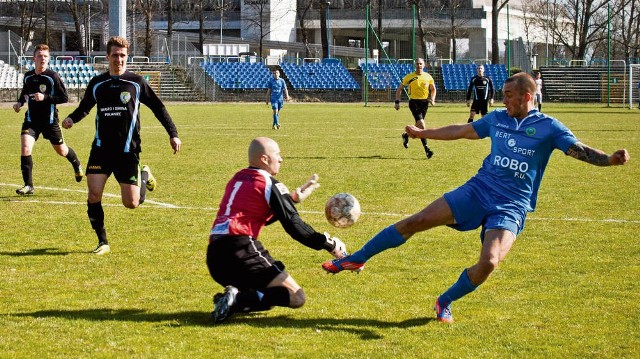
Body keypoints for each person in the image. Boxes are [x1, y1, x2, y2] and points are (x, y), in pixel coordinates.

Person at [323, 72, 630, 323]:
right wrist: (423, 133)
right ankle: (355, 259)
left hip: (512, 206)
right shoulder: (497, 119)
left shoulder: (549, 127)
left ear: (526, 96)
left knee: (490, 262)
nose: (502, 99)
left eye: (509, 94)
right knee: (417, 220)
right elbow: (462, 130)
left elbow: (581, 150)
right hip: (478, 190)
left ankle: (445, 300)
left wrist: (610, 160)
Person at [62, 36, 182, 255]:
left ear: (128, 57)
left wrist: (173, 134)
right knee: (93, 194)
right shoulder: (97, 83)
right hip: (101, 150)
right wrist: (71, 119)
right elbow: (85, 107)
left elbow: (158, 107)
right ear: (107, 57)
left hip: (128, 151)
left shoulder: (137, 82)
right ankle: (102, 242)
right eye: (115, 55)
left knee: (132, 203)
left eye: (123, 55)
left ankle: (144, 174)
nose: (119, 59)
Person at [207, 137, 347, 323]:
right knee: (295, 297)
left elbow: (256, 216)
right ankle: (237, 298)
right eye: (278, 155)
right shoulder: (269, 183)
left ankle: (232, 300)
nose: (281, 159)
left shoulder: (237, 178)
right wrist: (329, 243)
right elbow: (295, 227)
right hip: (241, 250)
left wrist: (292, 199)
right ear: (264, 159)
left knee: (267, 296)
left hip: (215, 258)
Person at [13, 44, 83, 196]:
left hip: (50, 122)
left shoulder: (53, 77)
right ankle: (28, 186)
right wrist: (20, 103)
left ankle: (76, 164)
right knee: (25, 147)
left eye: (45, 56)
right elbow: (25, 92)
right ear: (34, 58)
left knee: (62, 150)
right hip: (31, 121)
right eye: (40, 56)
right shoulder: (28, 76)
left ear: (49, 59)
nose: (42, 59)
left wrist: (45, 97)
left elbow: (64, 97)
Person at [395, 58, 436, 159]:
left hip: (425, 103)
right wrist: (397, 102)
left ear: (424, 65)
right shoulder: (409, 77)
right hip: (414, 102)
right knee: (422, 124)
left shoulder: (428, 76)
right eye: (417, 64)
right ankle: (427, 149)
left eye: (421, 64)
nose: (419, 66)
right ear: (415, 65)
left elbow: (433, 89)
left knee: (418, 127)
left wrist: (432, 99)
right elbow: (400, 89)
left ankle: (406, 135)